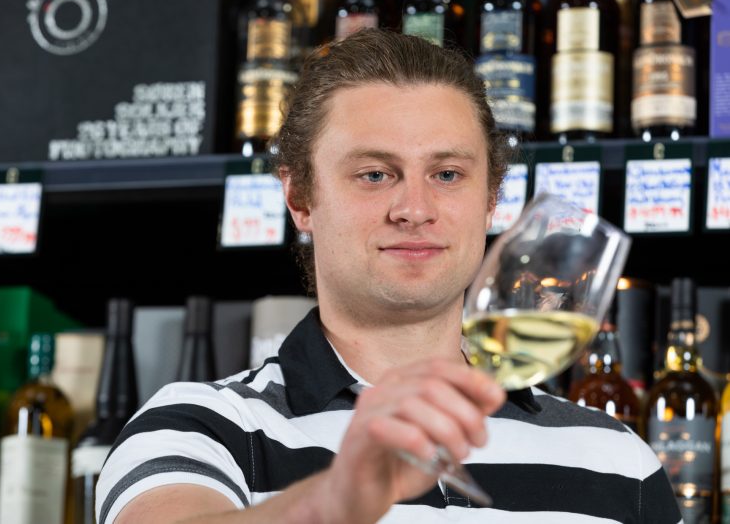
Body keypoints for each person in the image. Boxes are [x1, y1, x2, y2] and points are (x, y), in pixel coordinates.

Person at [95, 29, 681, 524]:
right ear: (300, 197)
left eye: (448, 174)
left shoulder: (619, 459)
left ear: (492, 200)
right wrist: (338, 497)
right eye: (375, 174)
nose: (415, 208)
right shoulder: (201, 426)